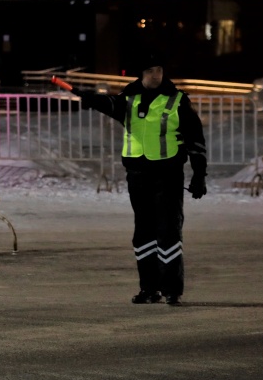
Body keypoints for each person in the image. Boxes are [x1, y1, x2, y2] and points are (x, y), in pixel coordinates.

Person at [76, 53, 207, 306]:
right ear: (141, 74)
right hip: (137, 175)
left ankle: (172, 289)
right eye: (150, 71)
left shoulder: (178, 100)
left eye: (159, 69)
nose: (156, 75)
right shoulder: (129, 98)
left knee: (168, 232)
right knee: (143, 234)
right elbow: (109, 104)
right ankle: (149, 288)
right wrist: (88, 98)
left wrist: (200, 175)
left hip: (168, 174)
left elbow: (195, 140)